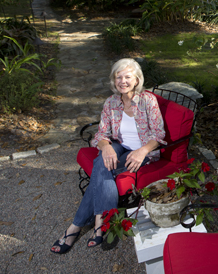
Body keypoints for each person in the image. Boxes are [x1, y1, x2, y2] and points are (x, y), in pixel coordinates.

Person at [51, 58, 166, 254]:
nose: (123, 81)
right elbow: (101, 134)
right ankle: (100, 223)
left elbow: (158, 135)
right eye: (118, 77)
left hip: (143, 152)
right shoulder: (111, 102)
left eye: (128, 76)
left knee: (101, 169)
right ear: (114, 80)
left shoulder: (148, 100)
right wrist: (105, 147)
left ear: (137, 80)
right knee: (103, 161)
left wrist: (142, 151)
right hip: (119, 146)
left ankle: (76, 227)